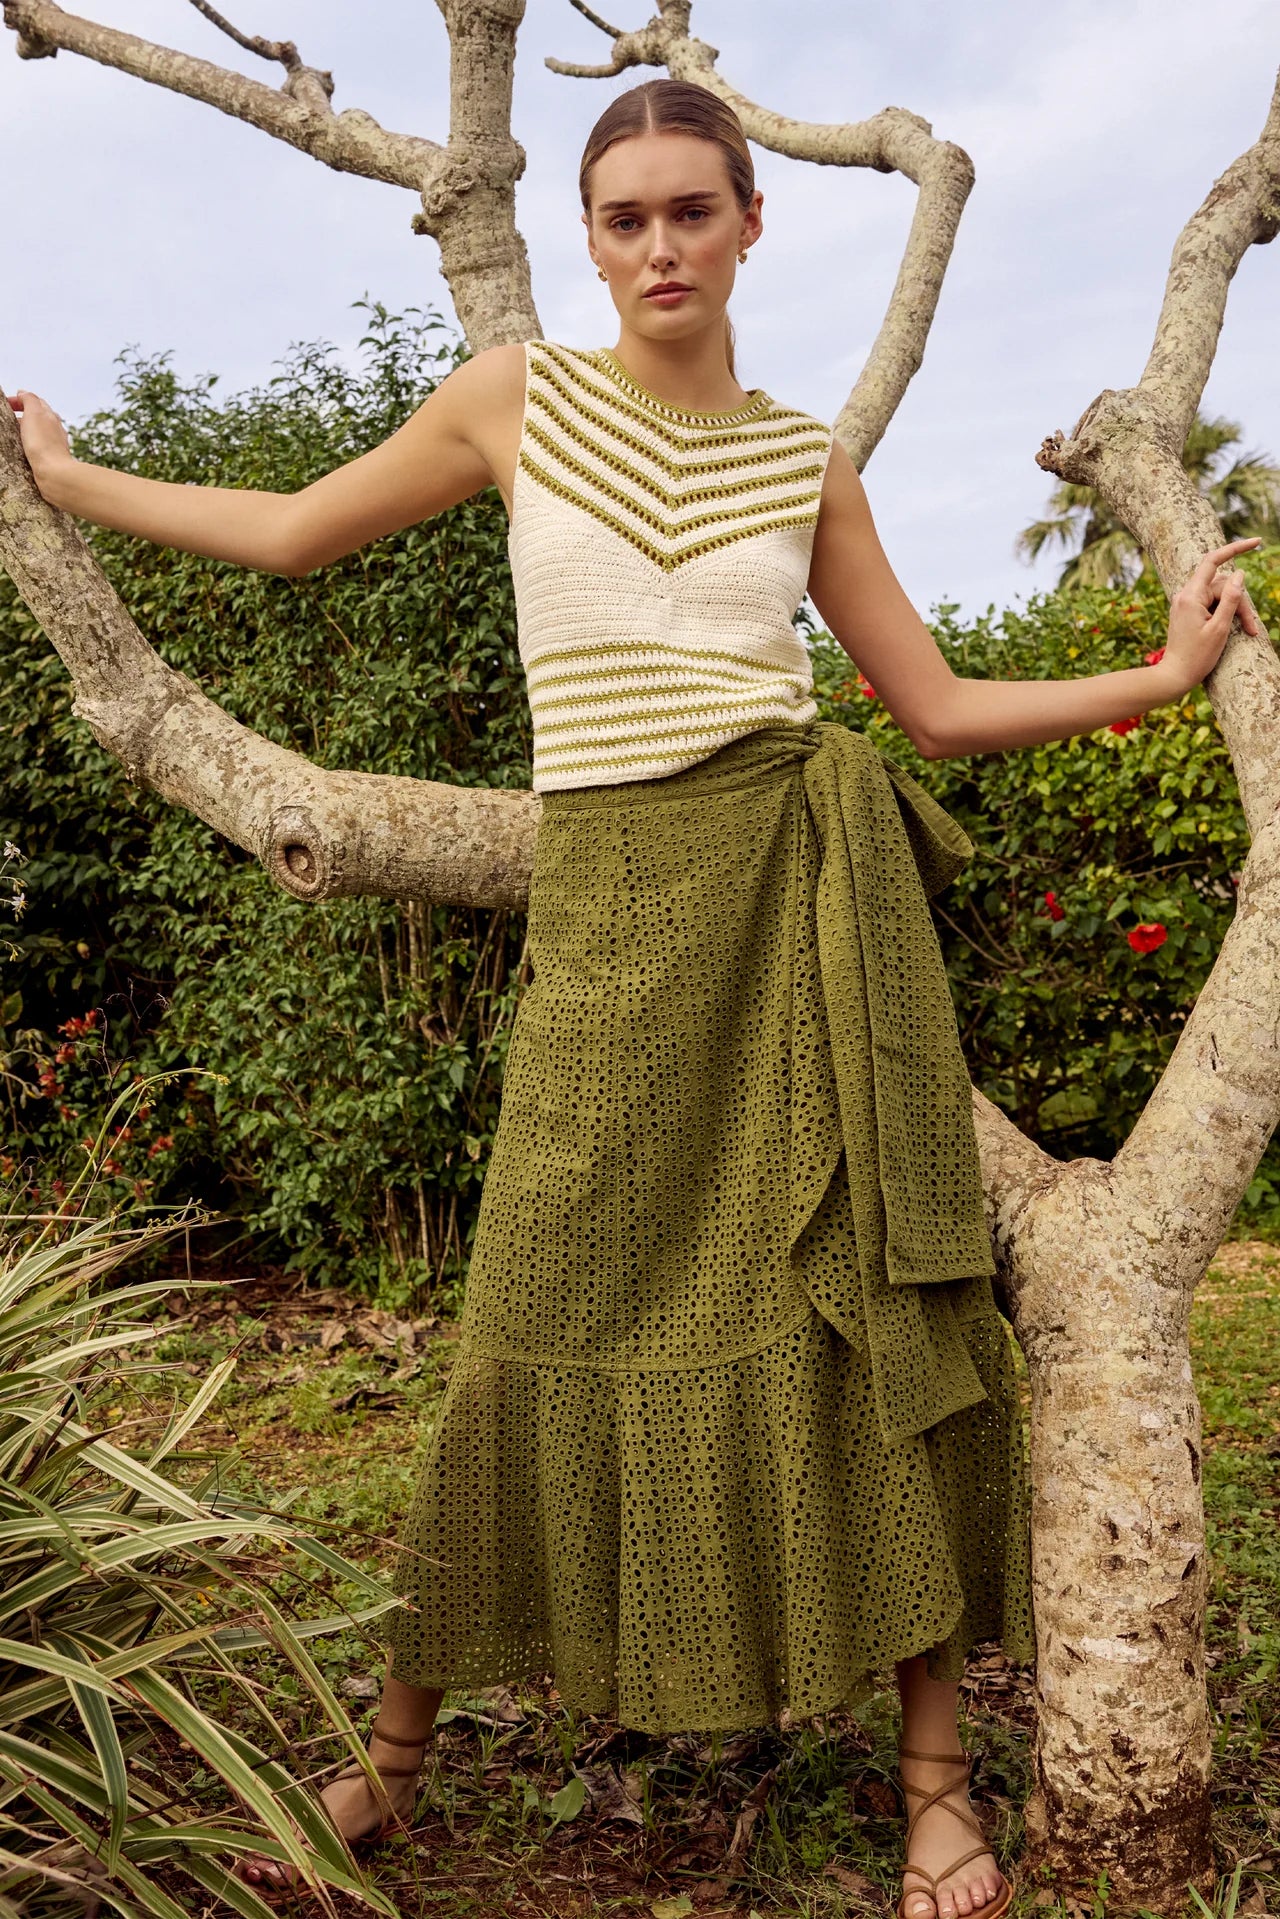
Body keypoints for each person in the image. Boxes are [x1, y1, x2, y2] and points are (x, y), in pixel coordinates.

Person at [10, 76, 1261, 1919]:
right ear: (590, 242)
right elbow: (291, 532)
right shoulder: (516, 399)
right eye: (627, 219)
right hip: (609, 923)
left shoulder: (803, 462)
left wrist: (1156, 679)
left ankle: (934, 1789)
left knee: (866, 1311)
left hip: (792, 922)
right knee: (530, 1303)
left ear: (753, 222)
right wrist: (62, 476)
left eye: (692, 211)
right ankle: (395, 1762)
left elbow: (930, 706)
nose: (661, 247)